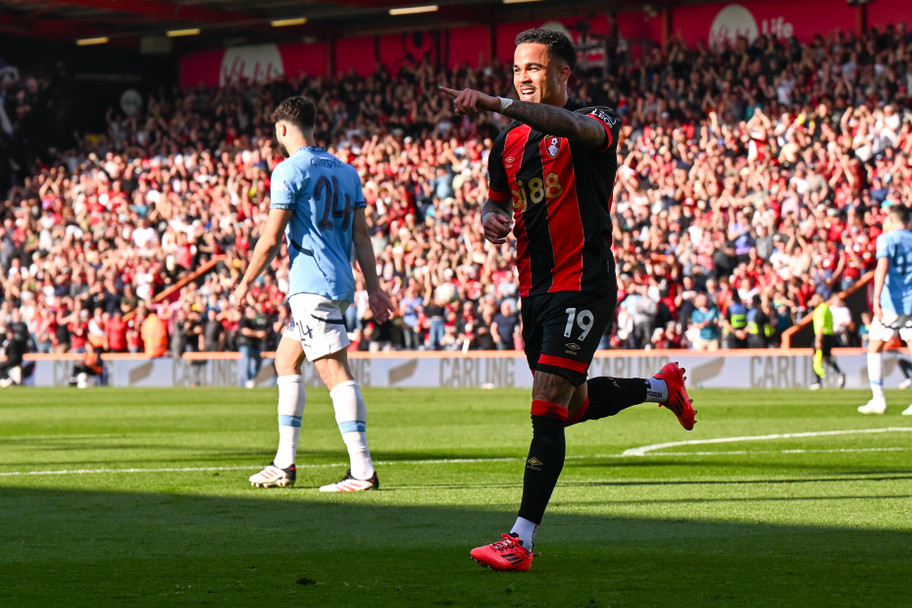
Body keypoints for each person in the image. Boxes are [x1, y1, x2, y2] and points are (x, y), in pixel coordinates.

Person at [440, 27, 695, 572]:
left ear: (563, 74)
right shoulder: (505, 145)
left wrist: (498, 102)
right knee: (571, 405)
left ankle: (521, 539)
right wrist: (491, 220)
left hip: (583, 281)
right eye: (516, 70)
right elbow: (495, 203)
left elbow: (570, 126)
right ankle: (661, 387)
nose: (523, 78)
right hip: (533, 290)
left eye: (533, 68)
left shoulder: (598, 120)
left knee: (545, 407)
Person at [234, 96, 394, 491]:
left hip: (312, 286)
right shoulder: (346, 171)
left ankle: (362, 470)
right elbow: (361, 236)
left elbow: (270, 238)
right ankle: (283, 464)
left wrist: (244, 283)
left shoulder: (288, 170)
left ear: (283, 129)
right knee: (285, 362)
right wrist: (373, 289)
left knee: (335, 372)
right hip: (337, 282)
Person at [858, 204, 912, 415]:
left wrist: (876, 299)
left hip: (892, 304)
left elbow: (882, 267)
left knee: (874, 346)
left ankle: (878, 399)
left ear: (891, 218)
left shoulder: (886, 239)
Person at [808, 293, 846, 390]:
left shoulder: (820, 310)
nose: (813, 300)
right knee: (826, 358)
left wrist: (818, 340)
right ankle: (839, 373)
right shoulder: (827, 309)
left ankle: (818, 382)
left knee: (816, 358)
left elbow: (821, 326)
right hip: (829, 335)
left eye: (815, 298)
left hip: (822, 335)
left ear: (820, 299)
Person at [237, 305, 269, 388]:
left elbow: (264, 329)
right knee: (246, 362)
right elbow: (245, 331)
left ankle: (252, 378)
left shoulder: (257, 321)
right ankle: (248, 380)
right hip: (245, 345)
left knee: (259, 362)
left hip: (255, 345)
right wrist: (257, 334)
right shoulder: (244, 320)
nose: (254, 313)